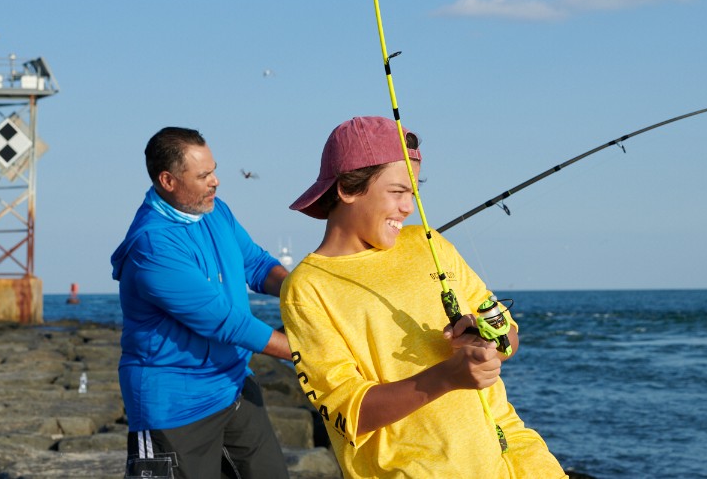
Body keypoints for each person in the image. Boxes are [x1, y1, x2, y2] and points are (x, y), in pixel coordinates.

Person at [281, 116, 566, 478]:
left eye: (413, 193)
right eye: (397, 192)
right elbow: (347, 413)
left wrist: (489, 341)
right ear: (348, 189)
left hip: (522, 459)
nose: (408, 207)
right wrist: (447, 376)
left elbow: (508, 334)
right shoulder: (308, 288)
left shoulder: (428, 242)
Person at [111, 127, 291, 479]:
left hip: (234, 385)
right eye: (204, 175)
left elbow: (255, 264)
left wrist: (308, 294)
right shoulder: (153, 247)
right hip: (175, 409)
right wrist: (306, 351)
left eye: (214, 170)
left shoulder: (215, 212)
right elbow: (226, 323)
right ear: (168, 180)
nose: (216, 181)